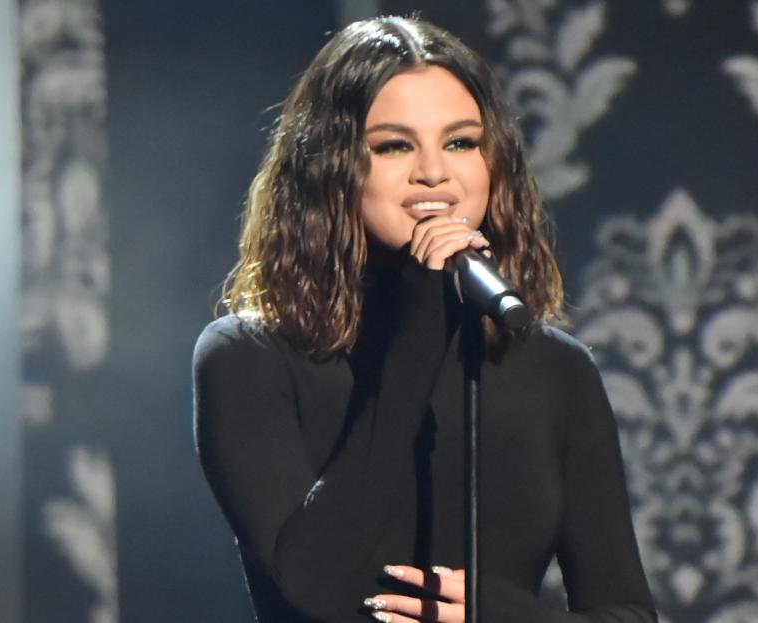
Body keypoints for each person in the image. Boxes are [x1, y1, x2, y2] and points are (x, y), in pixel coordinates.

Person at [193, 15, 656, 623]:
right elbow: (312, 589)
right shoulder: (250, 357)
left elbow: (626, 612)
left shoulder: (554, 369)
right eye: (394, 145)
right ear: (330, 167)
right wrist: (421, 321)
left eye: (461, 142)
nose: (434, 172)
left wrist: (499, 615)